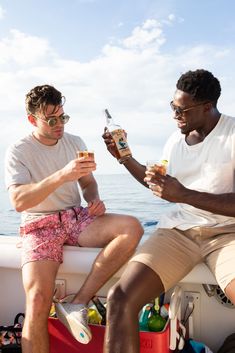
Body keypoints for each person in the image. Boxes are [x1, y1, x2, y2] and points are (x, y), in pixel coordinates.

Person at [102, 69, 235, 353]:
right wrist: (125, 158)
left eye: (181, 110)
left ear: (207, 107)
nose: (175, 115)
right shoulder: (175, 141)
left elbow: (178, 192)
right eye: (172, 107)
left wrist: (184, 194)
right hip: (177, 233)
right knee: (119, 299)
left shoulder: (232, 134)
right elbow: (159, 185)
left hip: (227, 235)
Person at [4, 84, 144, 353]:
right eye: (52, 120)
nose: (60, 125)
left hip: (74, 217)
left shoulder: (75, 142)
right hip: (38, 224)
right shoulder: (18, 150)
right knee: (37, 300)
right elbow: (19, 202)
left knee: (131, 228)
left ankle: (78, 303)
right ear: (33, 120)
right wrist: (62, 175)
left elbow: (88, 183)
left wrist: (93, 200)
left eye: (63, 118)